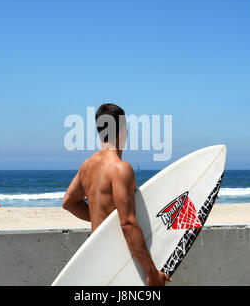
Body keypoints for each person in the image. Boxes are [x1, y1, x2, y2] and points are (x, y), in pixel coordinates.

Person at [63, 103, 172, 286]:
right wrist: (151, 272)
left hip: (96, 256)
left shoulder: (86, 167)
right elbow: (127, 224)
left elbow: (69, 202)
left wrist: (103, 222)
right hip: (119, 261)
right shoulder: (121, 169)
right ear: (123, 131)